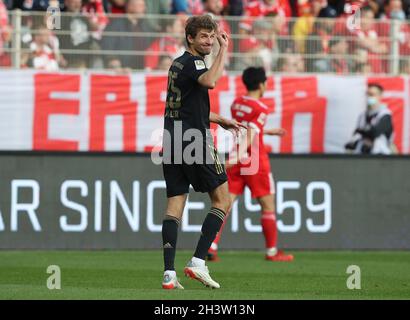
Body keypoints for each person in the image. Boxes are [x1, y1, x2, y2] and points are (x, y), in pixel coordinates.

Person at [160, 14, 245, 290]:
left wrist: (220, 119)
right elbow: (210, 82)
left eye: (212, 36)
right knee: (222, 200)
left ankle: (169, 275)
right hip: (194, 140)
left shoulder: (177, 64)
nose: (209, 41)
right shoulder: (197, 62)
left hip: (171, 140)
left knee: (175, 205)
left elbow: (190, 105)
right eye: (204, 37)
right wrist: (223, 51)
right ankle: (198, 261)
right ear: (191, 39)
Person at [207, 66, 294, 262]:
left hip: (237, 157)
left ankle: (211, 246)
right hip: (254, 160)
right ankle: (272, 252)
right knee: (268, 205)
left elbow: (246, 127)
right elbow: (251, 133)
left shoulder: (237, 103)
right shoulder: (261, 108)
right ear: (262, 84)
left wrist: (266, 131)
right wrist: (239, 156)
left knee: (225, 204)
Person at [345, 83, 395, 154]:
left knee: (378, 142)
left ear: (380, 96)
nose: (369, 97)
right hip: (363, 153)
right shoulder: (362, 116)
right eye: (367, 94)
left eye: (372, 95)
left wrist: (362, 131)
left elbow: (375, 133)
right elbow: (355, 134)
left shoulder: (385, 114)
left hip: (381, 156)